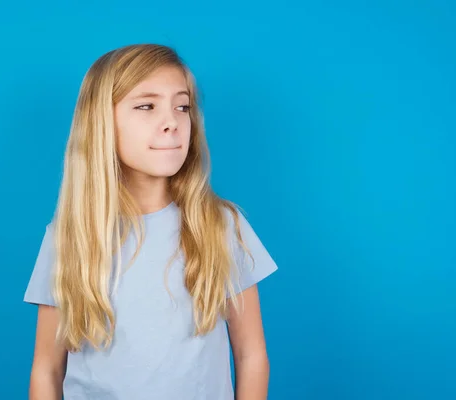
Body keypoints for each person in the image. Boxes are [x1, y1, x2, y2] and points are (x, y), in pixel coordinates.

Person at [23, 43, 278, 400]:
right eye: (147, 106)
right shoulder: (69, 238)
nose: (172, 121)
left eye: (182, 106)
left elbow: (251, 356)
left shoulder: (219, 225)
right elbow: (47, 370)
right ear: (102, 122)